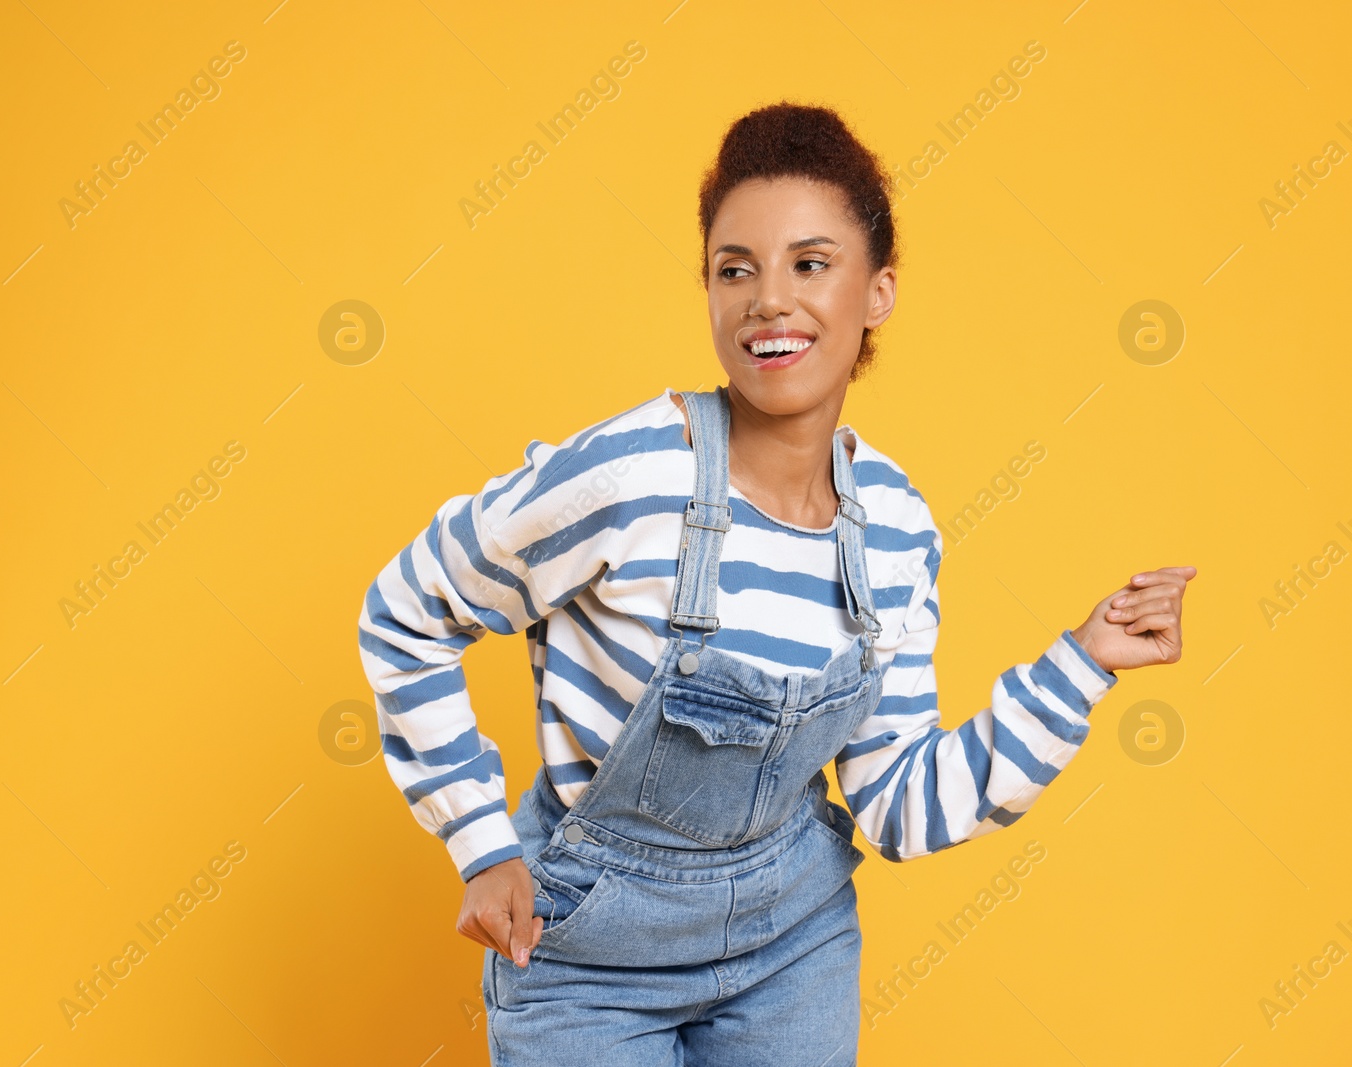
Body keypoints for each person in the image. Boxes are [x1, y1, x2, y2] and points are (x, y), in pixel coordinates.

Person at [356, 101, 1196, 1066]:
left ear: (876, 292)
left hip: (790, 948)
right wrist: (482, 843)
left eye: (809, 263)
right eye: (735, 268)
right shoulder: (631, 475)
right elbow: (407, 611)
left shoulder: (894, 529)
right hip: (585, 960)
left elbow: (901, 807)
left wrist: (1083, 663)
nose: (767, 300)